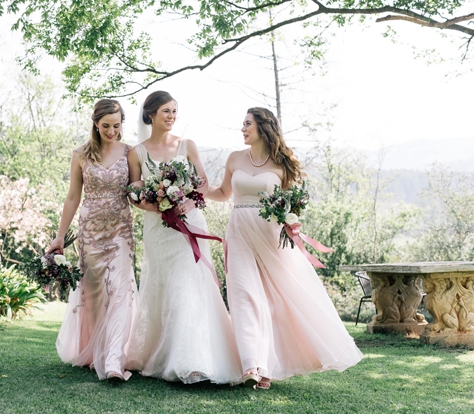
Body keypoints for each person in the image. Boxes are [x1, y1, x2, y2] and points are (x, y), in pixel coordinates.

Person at [206, 107, 363, 390]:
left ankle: (270, 365)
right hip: (238, 233)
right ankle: (251, 366)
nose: (242, 129)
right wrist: (196, 188)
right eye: (242, 124)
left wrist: (292, 220)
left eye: (247, 124)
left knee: (275, 301)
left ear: (263, 127)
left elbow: (291, 203)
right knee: (243, 295)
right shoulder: (234, 158)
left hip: (270, 237)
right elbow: (222, 194)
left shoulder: (282, 164)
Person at [125, 91, 242, 384]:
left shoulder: (187, 145)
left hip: (190, 223)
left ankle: (192, 360)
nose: (172, 116)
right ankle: (160, 352)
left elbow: (201, 183)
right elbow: (134, 193)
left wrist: (189, 202)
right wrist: (157, 205)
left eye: (175, 111)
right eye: (166, 111)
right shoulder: (136, 152)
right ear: (150, 114)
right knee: (161, 284)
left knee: (189, 284)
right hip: (158, 228)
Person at [48, 99, 136, 383]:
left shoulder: (130, 153)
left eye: (117, 125)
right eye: (106, 126)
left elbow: (138, 192)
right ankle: (96, 350)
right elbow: (73, 196)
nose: (112, 131)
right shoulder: (81, 155)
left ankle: (113, 361)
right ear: (96, 124)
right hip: (90, 232)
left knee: (121, 290)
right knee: (95, 294)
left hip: (121, 229)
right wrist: (60, 236)